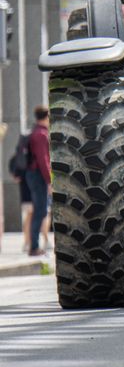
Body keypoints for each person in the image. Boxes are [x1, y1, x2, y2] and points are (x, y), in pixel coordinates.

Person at [23, 106, 51, 257]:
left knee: (39, 210)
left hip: (33, 174)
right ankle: (34, 247)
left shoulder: (35, 131)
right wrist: (49, 180)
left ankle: (34, 245)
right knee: (40, 210)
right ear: (47, 116)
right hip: (37, 175)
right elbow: (43, 160)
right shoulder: (41, 134)